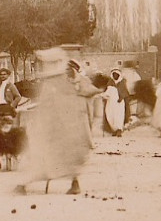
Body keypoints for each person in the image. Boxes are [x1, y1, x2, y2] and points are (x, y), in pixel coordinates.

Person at [16, 50, 100, 195]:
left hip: (66, 129)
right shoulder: (55, 83)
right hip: (57, 128)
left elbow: (88, 93)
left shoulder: (72, 83)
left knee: (60, 158)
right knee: (48, 158)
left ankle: (73, 184)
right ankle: (25, 183)